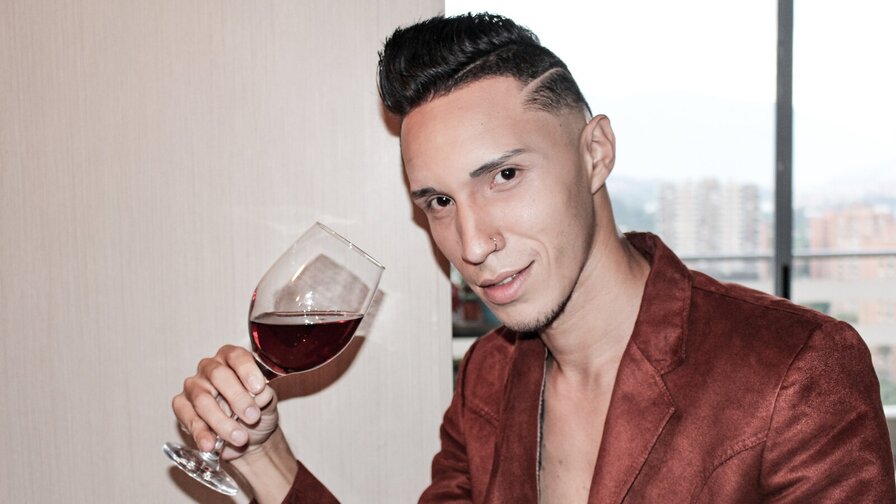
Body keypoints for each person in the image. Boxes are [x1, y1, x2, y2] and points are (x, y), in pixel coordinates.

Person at [171, 13, 896, 503]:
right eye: (439, 201)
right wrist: (264, 457)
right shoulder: (487, 378)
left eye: (505, 175)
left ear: (595, 153)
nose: (471, 244)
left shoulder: (797, 369)